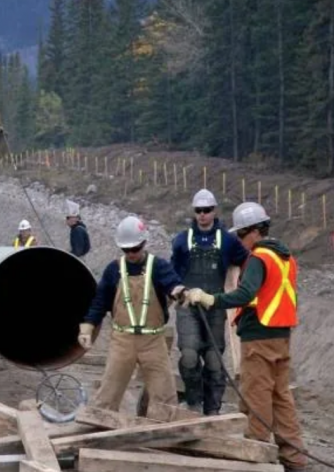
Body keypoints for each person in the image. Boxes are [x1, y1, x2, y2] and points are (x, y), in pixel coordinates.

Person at [183, 202, 307, 471]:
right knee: (280, 396)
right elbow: (277, 296)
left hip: (259, 337)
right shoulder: (286, 258)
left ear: (253, 231)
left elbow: (245, 294)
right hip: (281, 335)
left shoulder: (259, 258)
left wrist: (209, 299)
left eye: (240, 235)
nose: (239, 241)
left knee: (256, 394)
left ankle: (256, 451)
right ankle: (294, 458)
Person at [78, 216, 185, 412]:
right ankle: (99, 430)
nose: (131, 254)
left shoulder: (158, 266)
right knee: (107, 395)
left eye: (135, 249)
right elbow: (100, 302)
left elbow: (172, 283)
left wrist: (179, 291)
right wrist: (87, 327)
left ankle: (165, 435)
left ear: (144, 243)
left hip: (153, 341)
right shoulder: (114, 270)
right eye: (126, 250)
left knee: (164, 396)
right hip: (122, 340)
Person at [171, 189, 248, 415]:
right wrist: (177, 292)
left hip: (216, 305)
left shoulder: (228, 240)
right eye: (199, 211)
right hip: (187, 307)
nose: (203, 215)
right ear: (194, 213)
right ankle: (193, 402)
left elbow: (245, 263)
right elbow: (173, 272)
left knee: (214, 360)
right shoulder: (181, 240)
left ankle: (212, 408)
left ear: (214, 211)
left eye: (207, 210)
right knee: (189, 354)